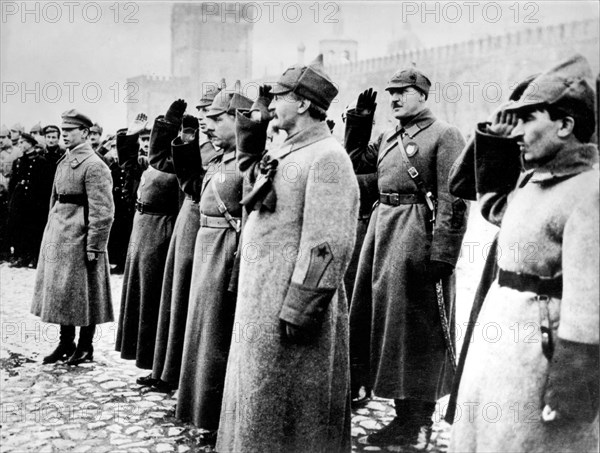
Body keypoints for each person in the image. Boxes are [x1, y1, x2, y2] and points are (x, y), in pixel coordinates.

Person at [450, 54, 599, 453]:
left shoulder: (588, 192)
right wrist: (494, 143)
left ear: (566, 125)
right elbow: (490, 203)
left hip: (539, 356)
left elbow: (589, 306)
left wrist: (573, 390)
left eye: (529, 119)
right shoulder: (533, 182)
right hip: (500, 344)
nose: (518, 132)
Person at [217, 55, 359, 453]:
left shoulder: (328, 157)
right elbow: (253, 190)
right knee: (258, 404)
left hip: (289, 311)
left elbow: (327, 245)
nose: (270, 104)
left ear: (302, 104)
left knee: (291, 415)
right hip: (262, 305)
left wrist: (301, 306)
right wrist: (255, 126)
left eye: (278, 97)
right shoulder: (287, 151)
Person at [345, 67, 468, 449]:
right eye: (391, 93)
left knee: (419, 330)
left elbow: (454, 198)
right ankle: (401, 416)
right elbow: (354, 164)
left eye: (403, 92)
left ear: (423, 95)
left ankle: (419, 423)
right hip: (383, 233)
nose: (395, 98)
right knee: (387, 325)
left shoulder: (445, 135)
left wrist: (443, 253)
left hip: (417, 237)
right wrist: (360, 124)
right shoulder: (388, 135)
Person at [175, 86, 250, 445]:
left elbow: (251, 219)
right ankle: (205, 412)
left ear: (238, 122)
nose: (209, 127)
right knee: (205, 336)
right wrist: (183, 142)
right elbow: (191, 185)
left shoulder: (248, 162)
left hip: (226, 252)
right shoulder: (221, 160)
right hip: (208, 249)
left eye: (218, 120)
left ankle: (223, 419)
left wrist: (238, 266)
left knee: (219, 336)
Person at [149, 83, 221, 394]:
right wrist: (168, 125)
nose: (205, 117)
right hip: (188, 219)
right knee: (176, 297)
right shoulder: (196, 142)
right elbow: (161, 161)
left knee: (193, 299)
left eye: (212, 112)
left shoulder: (224, 150)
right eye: (202, 111)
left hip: (207, 224)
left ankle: (185, 375)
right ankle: (167, 370)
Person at [31, 109, 114, 366]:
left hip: (80, 238)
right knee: (62, 294)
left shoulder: (95, 165)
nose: (64, 135)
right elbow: (54, 200)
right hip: (60, 235)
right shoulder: (64, 161)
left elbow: (103, 211)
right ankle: (65, 343)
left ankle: (86, 346)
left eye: (70, 131)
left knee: (86, 295)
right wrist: (50, 230)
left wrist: (95, 246)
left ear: (85, 133)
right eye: (63, 130)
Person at [115, 102, 182, 375]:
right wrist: (130, 135)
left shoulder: (176, 165)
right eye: (144, 140)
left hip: (160, 234)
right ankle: (146, 359)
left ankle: (159, 365)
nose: (147, 145)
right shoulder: (149, 164)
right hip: (141, 232)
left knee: (154, 299)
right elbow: (128, 162)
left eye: (149, 139)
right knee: (140, 297)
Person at [7, 132, 54, 267]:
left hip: (36, 203)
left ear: (31, 144)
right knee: (20, 229)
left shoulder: (41, 162)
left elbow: (46, 185)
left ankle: (34, 257)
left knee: (35, 229)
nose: (20, 145)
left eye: (22, 142)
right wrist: (12, 202)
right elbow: (12, 184)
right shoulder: (18, 162)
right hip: (20, 202)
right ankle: (21, 256)